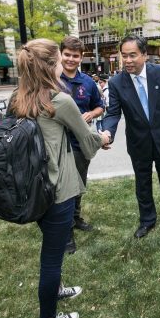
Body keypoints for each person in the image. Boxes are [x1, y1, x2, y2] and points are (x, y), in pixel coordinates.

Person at [9, 38, 110, 318]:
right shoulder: (59, 100)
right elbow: (87, 140)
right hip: (57, 191)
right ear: (50, 65)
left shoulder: (18, 97)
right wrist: (103, 138)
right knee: (51, 259)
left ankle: (56, 290)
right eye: (58, 61)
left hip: (32, 188)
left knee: (51, 246)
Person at [101, 34, 160, 238]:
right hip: (138, 143)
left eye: (133, 55)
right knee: (142, 184)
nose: (128, 61)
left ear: (145, 55)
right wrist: (107, 132)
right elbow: (113, 113)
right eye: (124, 56)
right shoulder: (116, 83)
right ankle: (147, 220)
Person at [59, 36, 105, 253]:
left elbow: (100, 106)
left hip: (80, 145)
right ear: (60, 54)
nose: (70, 59)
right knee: (63, 190)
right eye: (66, 54)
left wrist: (91, 113)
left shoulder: (87, 82)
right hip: (57, 145)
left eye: (75, 55)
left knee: (78, 186)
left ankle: (76, 218)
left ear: (81, 57)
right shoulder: (52, 79)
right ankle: (65, 231)